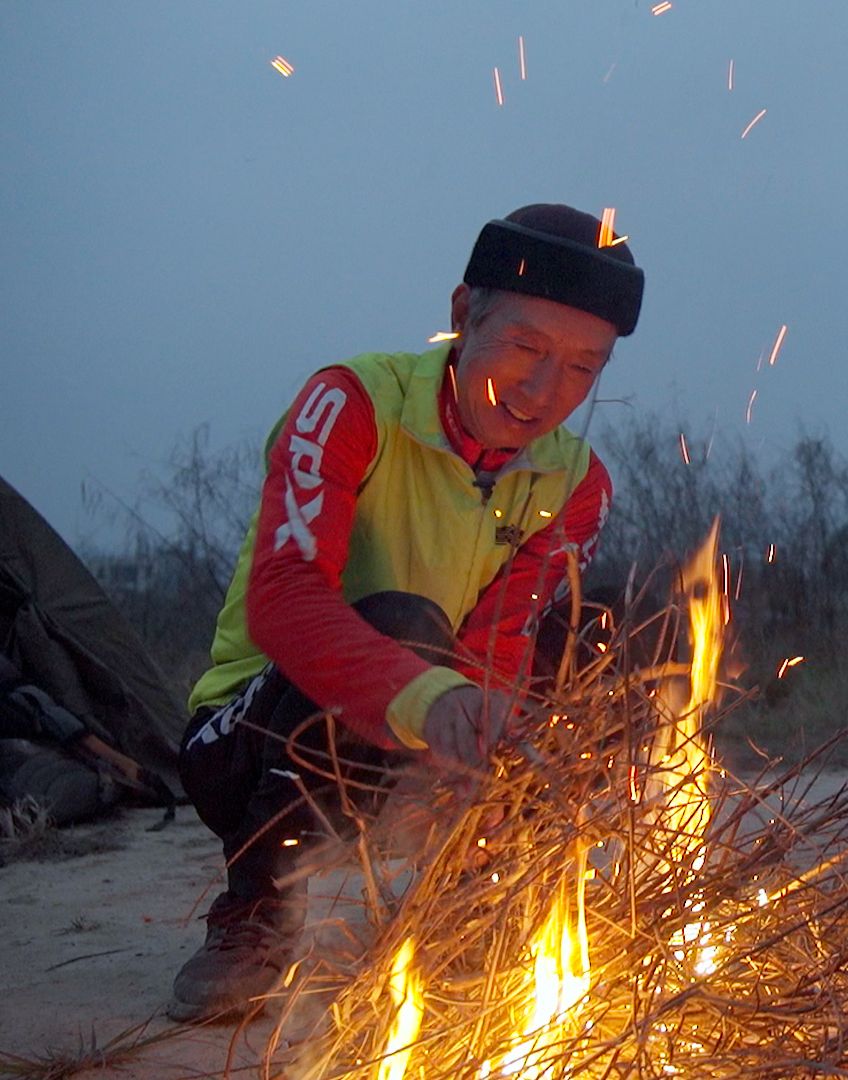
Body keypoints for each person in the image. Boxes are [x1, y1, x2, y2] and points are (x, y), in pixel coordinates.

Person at [168, 204, 642, 1022]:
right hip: (252, 735)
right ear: (461, 315)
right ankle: (256, 912)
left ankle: (461, 889)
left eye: (581, 368)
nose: (541, 391)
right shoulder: (352, 403)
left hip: (410, 744)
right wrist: (435, 701)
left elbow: (503, 640)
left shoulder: (575, 481)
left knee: (619, 638)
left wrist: (480, 751)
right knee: (399, 621)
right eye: (525, 347)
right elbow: (284, 602)